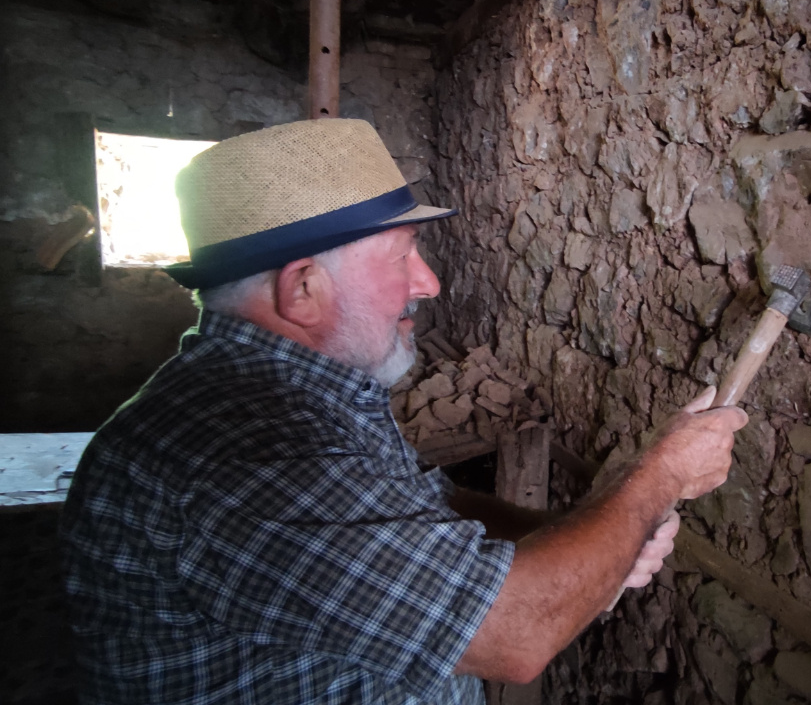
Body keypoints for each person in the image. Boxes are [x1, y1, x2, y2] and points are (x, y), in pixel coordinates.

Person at [59, 119, 748, 704]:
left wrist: (573, 542)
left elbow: (418, 511)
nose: (429, 283)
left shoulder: (303, 390)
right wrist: (657, 480)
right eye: (404, 256)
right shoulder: (250, 454)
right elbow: (515, 638)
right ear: (303, 290)